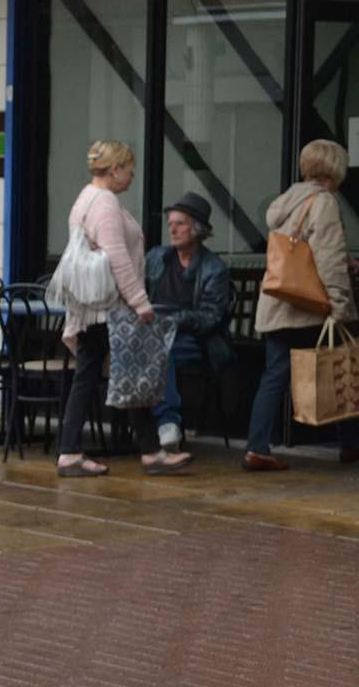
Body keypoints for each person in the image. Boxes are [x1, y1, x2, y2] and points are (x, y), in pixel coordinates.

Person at [55, 141, 193, 476]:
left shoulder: (85, 198)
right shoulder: (104, 202)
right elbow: (117, 257)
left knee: (122, 374)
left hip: (94, 308)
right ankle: (72, 453)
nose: (132, 174)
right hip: (109, 309)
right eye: (129, 167)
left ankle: (147, 451)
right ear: (115, 169)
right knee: (108, 375)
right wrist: (140, 303)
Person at [247, 139, 359, 470]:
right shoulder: (323, 202)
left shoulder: (287, 201)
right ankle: (351, 444)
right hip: (311, 307)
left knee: (274, 375)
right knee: (343, 366)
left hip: (279, 303)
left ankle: (257, 446)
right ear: (335, 169)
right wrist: (339, 303)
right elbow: (328, 258)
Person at [144, 191, 230, 451]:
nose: (173, 229)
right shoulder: (157, 257)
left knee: (160, 351)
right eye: (170, 223)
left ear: (197, 229)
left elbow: (210, 317)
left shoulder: (214, 268)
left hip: (194, 340)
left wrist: (172, 320)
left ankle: (168, 424)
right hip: (153, 334)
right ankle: (137, 433)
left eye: (180, 223)